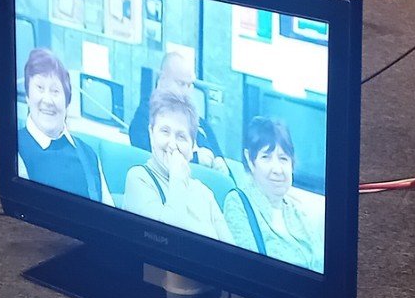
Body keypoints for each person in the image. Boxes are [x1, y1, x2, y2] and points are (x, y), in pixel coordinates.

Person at [119, 93, 233, 241]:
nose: (172, 144)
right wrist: (178, 177)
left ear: (193, 146)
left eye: (181, 137)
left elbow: (229, 248)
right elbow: (166, 238)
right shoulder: (138, 178)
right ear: (151, 134)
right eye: (165, 131)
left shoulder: (205, 194)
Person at [222, 116, 323, 271]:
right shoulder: (238, 202)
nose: (277, 169)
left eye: (283, 158)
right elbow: (251, 269)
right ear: (250, 160)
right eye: (266, 157)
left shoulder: (297, 210)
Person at [16, 48, 110, 202]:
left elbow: (107, 211)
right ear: (27, 96)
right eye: (40, 88)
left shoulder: (89, 155)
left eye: (55, 91)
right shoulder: (14, 146)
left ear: (67, 101)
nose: (47, 100)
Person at [128, 49, 225, 165]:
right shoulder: (144, 118)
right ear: (162, 80)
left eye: (189, 85)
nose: (187, 92)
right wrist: (195, 159)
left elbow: (224, 165)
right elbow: (152, 159)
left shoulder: (201, 125)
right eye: (181, 84)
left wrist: (221, 165)